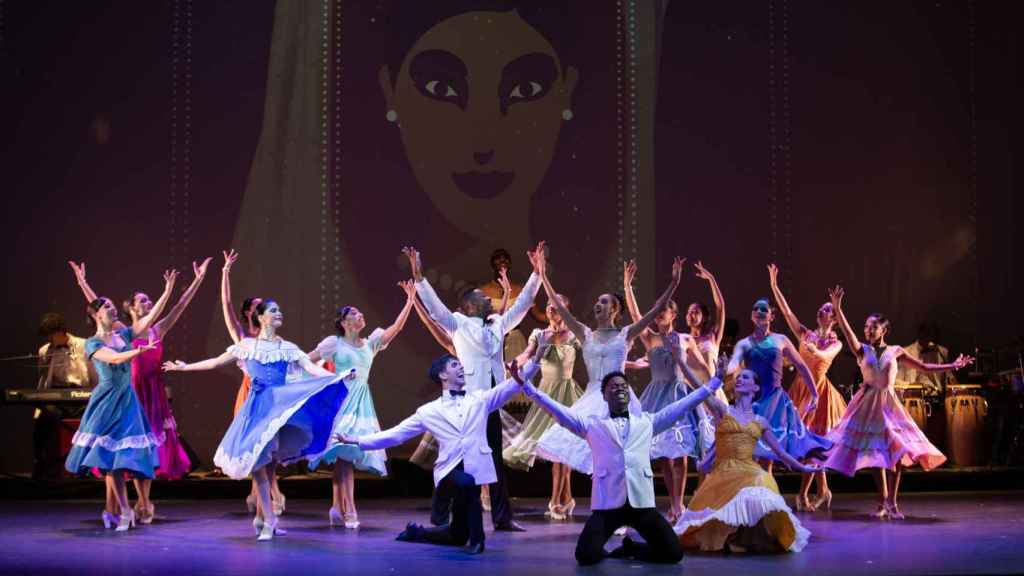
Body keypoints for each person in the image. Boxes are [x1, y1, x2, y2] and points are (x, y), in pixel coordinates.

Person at [517, 333, 724, 566]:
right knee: (586, 555)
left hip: (642, 505)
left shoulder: (646, 422)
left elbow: (680, 406)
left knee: (672, 553)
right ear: (604, 396)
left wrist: (713, 384)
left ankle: (633, 548)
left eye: (623, 386)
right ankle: (612, 553)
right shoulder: (593, 426)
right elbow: (558, 412)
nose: (620, 389)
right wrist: (528, 388)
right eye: (614, 387)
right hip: (608, 505)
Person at [163, 299, 353, 540]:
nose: (279, 313)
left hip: (278, 407)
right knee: (259, 466)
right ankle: (268, 520)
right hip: (256, 409)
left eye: (280, 309)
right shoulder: (247, 346)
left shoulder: (289, 348)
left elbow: (312, 369)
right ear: (261, 317)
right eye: (274, 310)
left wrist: (338, 377)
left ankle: (262, 518)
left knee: (269, 465)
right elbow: (215, 362)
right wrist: (184, 368)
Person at [405, 241, 547, 531]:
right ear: (469, 305)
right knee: (459, 458)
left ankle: (502, 517)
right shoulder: (457, 322)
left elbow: (521, 307)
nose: (488, 300)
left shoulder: (496, 323)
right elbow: (435, 309)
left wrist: (536, 274)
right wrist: (419, 278)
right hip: (468, 401)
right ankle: (441, 512)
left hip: (492, 400)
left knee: (495, 457)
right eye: (483, 298)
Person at [336, 355, 541, 555]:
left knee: (458, 534)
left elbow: (512, 385)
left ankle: (417, 532)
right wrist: (357, 441)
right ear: (443, 375)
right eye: (455, 365)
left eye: (461, 364)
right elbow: (397, 434)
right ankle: (478, 541)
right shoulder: (429, 411)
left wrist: (538, 354)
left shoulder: (479, 399)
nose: (461, 367)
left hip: (474, 466)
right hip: (450, 470)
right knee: (467, 483)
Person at [70, 258, 211, 523]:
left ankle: (143, 503)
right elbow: (97, 306)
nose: (148, 304)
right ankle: (114, 506)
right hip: (130, 392)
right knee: (116, 449)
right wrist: (82, 282)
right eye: (143, 301)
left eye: (149, 301)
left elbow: (179, 306)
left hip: (153, 394)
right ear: (129, 308)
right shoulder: (122, 332)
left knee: (146, 450)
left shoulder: (155, 329)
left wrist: (197, 280)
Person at [822, 286, 973, 519]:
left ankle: (892, 502)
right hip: (868, 405)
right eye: (866, 326)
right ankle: (882, 501)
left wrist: (952, 366)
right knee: (875, 456)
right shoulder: (861, 350)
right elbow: (848, 331)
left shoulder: (896, 351)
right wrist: (839, 309)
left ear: (884, 329)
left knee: (896, 452)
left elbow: (924, 367)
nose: (868, 330)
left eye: (873, 326)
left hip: (889, 405)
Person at [534, 256, 684, 476]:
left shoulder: (625, 334)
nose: (598, 304)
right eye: (597, 301)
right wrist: (543, 275)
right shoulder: (584, 333)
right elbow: (558, 306)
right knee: (596, 456)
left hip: (620, 397)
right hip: (593, 397)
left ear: (615, 310)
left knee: (621, 454)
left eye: (604, 302)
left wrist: (674, 283)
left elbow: (654, 311)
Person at [673, 363, 819, 553]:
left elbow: (781, 453)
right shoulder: (722, 410)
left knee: (760, 482)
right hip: (724, 473)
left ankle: (747, 537)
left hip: (748, 469)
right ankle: (736, 536)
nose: (740, 379)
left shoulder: (761, 421)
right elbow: (699, 388)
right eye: (739, 377)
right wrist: (680, 359)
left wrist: (803, 468)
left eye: (746, 377)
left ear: (756, 388)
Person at [305, 281, 415, 529]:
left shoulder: (370, 343)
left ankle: (336, 508)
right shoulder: (334, 343)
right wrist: (329, 379)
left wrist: (409, 301)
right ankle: (349, 510)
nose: (360, 315)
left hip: (362, 403)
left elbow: (395, 329)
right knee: (344, 457)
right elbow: (307, 361)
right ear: (344, 322)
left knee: (348, 457)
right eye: (354, 313)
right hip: (342, 401)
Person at [64, 298, 161, 531]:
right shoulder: (92, 343)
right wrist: (138, 351)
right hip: (107, 401)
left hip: (128, 400)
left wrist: (167, 291)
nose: (112, 307)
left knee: (122, 457)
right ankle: (124, 510)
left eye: (112, 304)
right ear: (97, 314)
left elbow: (149, 319)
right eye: (106, 306)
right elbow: (115, 358)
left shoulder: (124, 335)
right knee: (110, 462)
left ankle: (124, 511)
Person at [623, 259, 704, 522]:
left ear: (673, 315)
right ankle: (671, 502)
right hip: (656, 396)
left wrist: (713, 385)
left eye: (664, 310)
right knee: (663, 456)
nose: (659, 313)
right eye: (657, 310)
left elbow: (703, 367)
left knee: (680, 453)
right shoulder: (649, 337)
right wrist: (627, 285)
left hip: (679, 395)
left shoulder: (685, 339)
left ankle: (679, 505)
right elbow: (636, 315)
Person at [767, 263, 847, 511]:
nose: (820, 311)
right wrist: (774, 285)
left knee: (814, 443)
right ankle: (823, 490)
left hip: (820, 393)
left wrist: (814, 350)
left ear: (833, 318)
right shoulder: (804, 333)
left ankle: (804, 493)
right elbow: (786, 311)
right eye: (821, 308)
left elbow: (824, 359)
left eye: (827, 309)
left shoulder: (835, 342)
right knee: (807, 442)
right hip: (801, 389)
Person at [722, 298, 830, 473]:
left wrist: (814, 393)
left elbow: (802, 366)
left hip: (775, 401)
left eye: (764, 309)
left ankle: (766, 494)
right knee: (750, 451)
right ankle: (752, 492)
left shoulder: (781, 340)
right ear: (751, 315)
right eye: (755, 308)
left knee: (769, 454)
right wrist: (724, 369)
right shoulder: (744, 343)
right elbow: (734, 363)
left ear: (771, 316)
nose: (759, 311)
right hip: (753, 401)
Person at [502, 293, 582, 519]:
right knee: (556, 449)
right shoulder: (539, 334)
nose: (551, 310)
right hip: (546, 396)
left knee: (565, 449)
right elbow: (527, 354)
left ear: (566, 310)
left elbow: (597, 353)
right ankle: (564, 499)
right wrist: (513, 364)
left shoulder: (574, 335)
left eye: (557, 307)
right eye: (549, 307)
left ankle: (558, 500)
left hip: (568, 395)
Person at [220, 249, 285, 515]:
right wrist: (225, 273)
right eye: (258, 306)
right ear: (250, 312)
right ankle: (266, 500)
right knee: (255, 448)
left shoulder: (272, 336)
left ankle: (264, 500)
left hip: (272, 394)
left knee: (271, 448)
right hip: (250, 394)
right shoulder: (241, 336)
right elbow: (225, 306)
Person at [34, 313, 96, 481]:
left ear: (61, 331)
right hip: (57, 398)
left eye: (51, 334)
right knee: (43, 422)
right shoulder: (44, 350)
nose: (49, 338)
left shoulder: (84, 345)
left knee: (92, 421)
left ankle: (87, 468)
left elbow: (94, 375)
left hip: (82, 396)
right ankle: (44, 467)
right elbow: (43, 379)